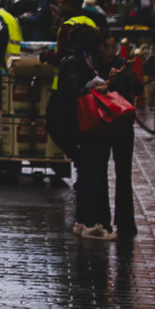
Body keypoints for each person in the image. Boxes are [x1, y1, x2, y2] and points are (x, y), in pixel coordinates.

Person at [47, 25, 135, 238]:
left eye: (113, 47)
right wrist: (99, 87)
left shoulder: (78, 61)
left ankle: (83, 220)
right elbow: (78, 91)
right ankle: (91, 223)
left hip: (80, 124)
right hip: (73, 124)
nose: (109, 51)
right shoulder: (76, 62)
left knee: (88, 171)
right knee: (90, 173)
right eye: (105, 46)